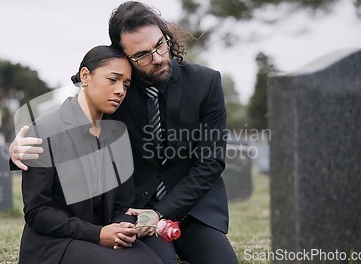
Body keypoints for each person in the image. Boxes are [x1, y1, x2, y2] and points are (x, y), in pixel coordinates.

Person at [12, 2, 238, 263]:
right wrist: (19, 148)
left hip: (194, 209)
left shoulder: (206, 83)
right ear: (125, 56)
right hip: (137, 210)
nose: (157, 58)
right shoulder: (118, 89)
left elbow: (211, 162)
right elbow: (73, 115)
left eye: (160, 44)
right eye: (142, 55)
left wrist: (162, 214)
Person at [17, 45, 164, 264]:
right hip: (54, 244)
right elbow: (37, 212)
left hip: (101, 239)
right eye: (112, 80)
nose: (120, 91)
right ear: (85, 76)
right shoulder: (44, 130)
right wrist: (98, 234)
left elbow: (121, 205)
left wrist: (123, 226)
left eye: (125, 84)